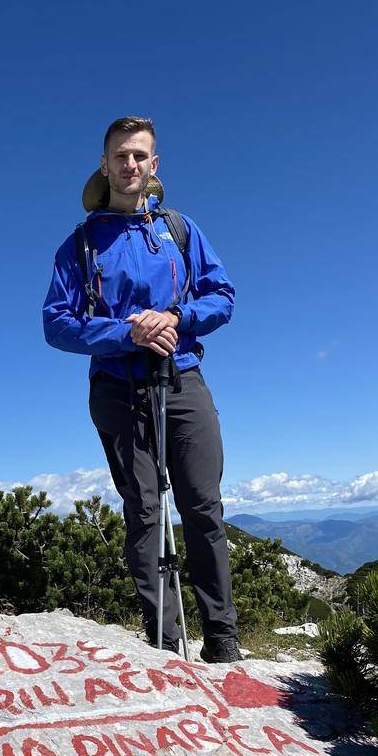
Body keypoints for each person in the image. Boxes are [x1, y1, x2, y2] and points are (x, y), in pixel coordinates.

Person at [42, 115, 241, 663]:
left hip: (182, 378)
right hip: (117, 387)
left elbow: (222, 296)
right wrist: (127, 332)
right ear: (104, 165)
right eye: (120, 156)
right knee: (145, 512)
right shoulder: (81, 244)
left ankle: (222, 640)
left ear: (154, 165)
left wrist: (176, 317)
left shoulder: (179, 230)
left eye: (139, 155)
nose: (129, 164)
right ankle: (164, 643)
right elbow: (56, 323)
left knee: (203, 506)